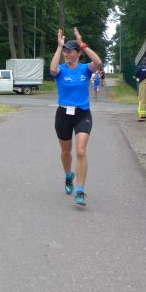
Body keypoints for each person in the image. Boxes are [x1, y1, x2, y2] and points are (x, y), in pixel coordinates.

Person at [49, 28, 103, 206]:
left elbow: (98, 62)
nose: (67, 54)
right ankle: (68, 176)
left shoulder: (85, 69)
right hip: (63, 114)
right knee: (66, 152)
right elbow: (52, 69)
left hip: (82, 114)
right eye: (65, 51)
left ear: (78, 53)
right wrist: (59, 47)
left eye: (70, 51)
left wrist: (82, 44)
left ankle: (80, 190)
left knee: (80, 151)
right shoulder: (61, 70)